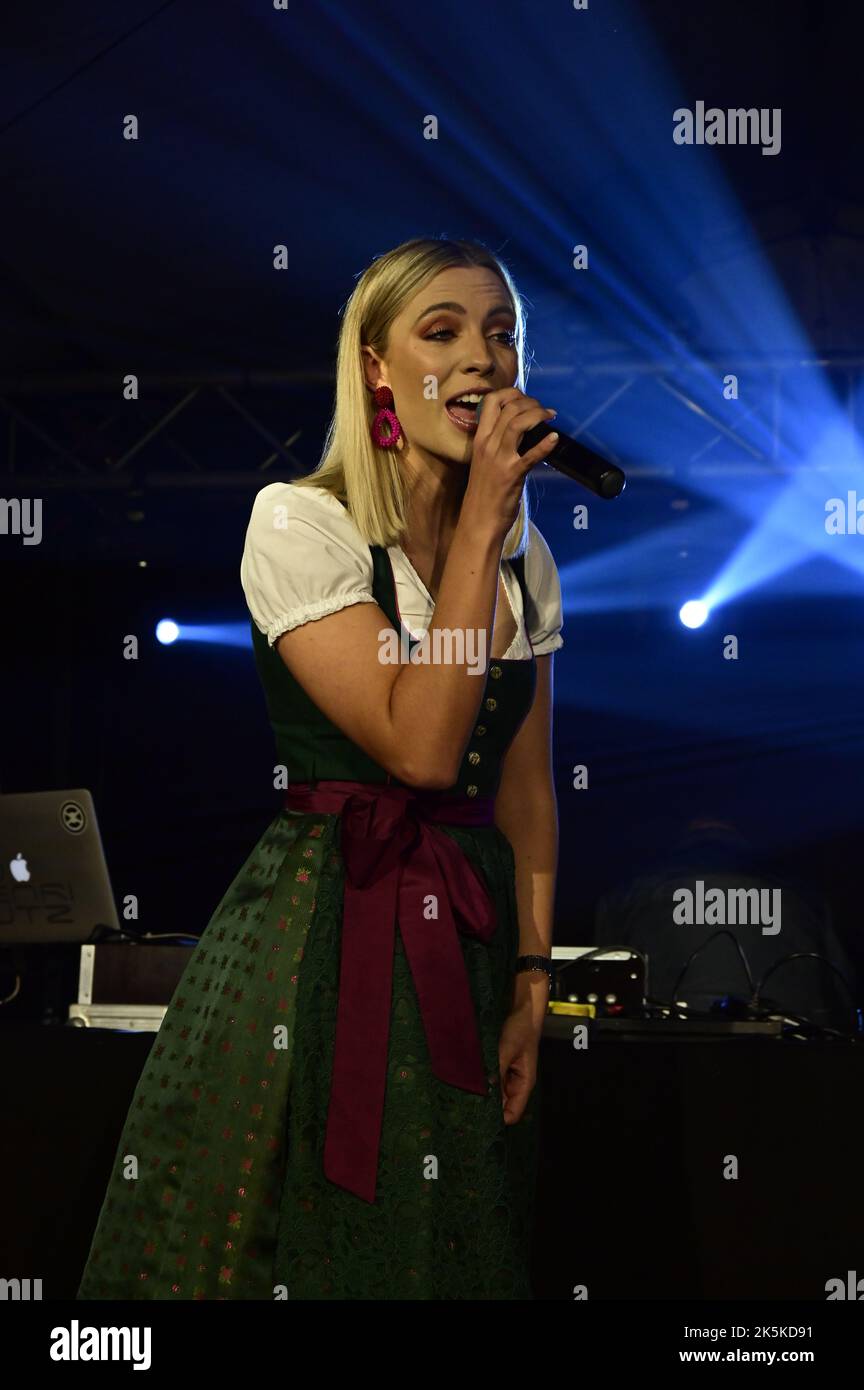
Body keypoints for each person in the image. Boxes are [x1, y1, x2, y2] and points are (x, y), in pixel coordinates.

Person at [76, 235, 564, 1300]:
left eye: (501, 334)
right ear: (378, 370)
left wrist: (532, 976)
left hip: (469, 945)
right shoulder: (302, 520)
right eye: (443, 332)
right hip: (323, 930)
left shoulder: (524, 559)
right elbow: (423, 750)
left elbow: (523, 790)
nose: (483, 359)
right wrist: (482, 528)